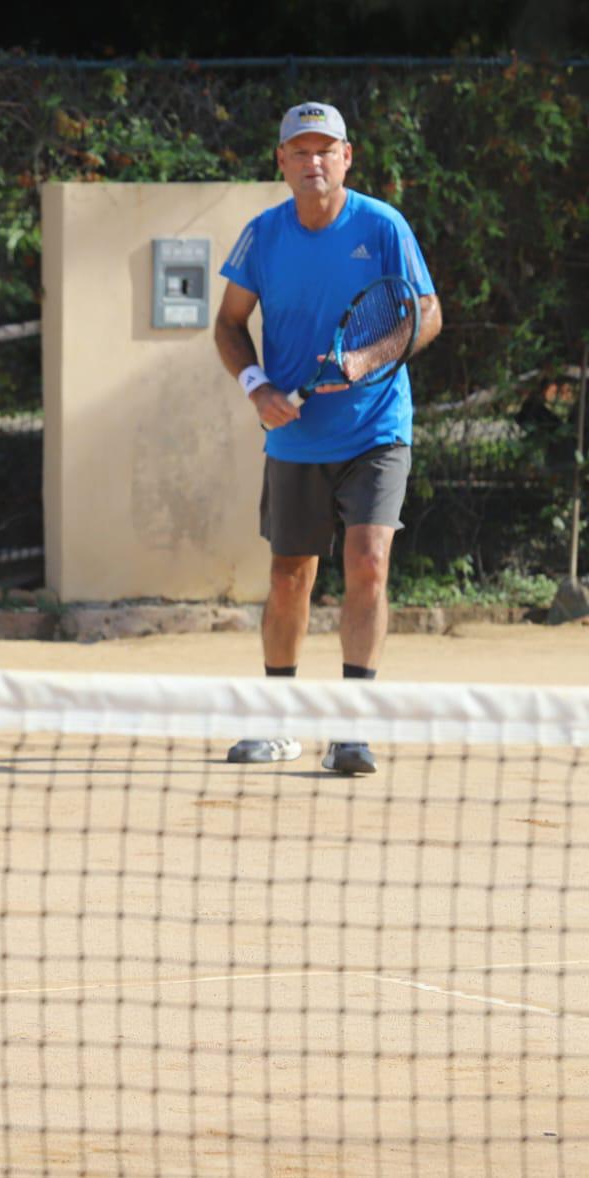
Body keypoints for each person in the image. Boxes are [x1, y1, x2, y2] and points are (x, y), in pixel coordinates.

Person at [213, 102, 442, 775]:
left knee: (369, 562)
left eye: (326, 150)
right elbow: (228, 325)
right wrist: (256, 385)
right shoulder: (262, 236)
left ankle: (351, 728)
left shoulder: (383, 225)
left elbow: (425, 314)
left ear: (348, 157)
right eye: (300, 151)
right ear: (281, 162)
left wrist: (369, 360)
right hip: (295, 439)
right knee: (290, 577)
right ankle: (278, 720)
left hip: (376, 429)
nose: (314, 162)